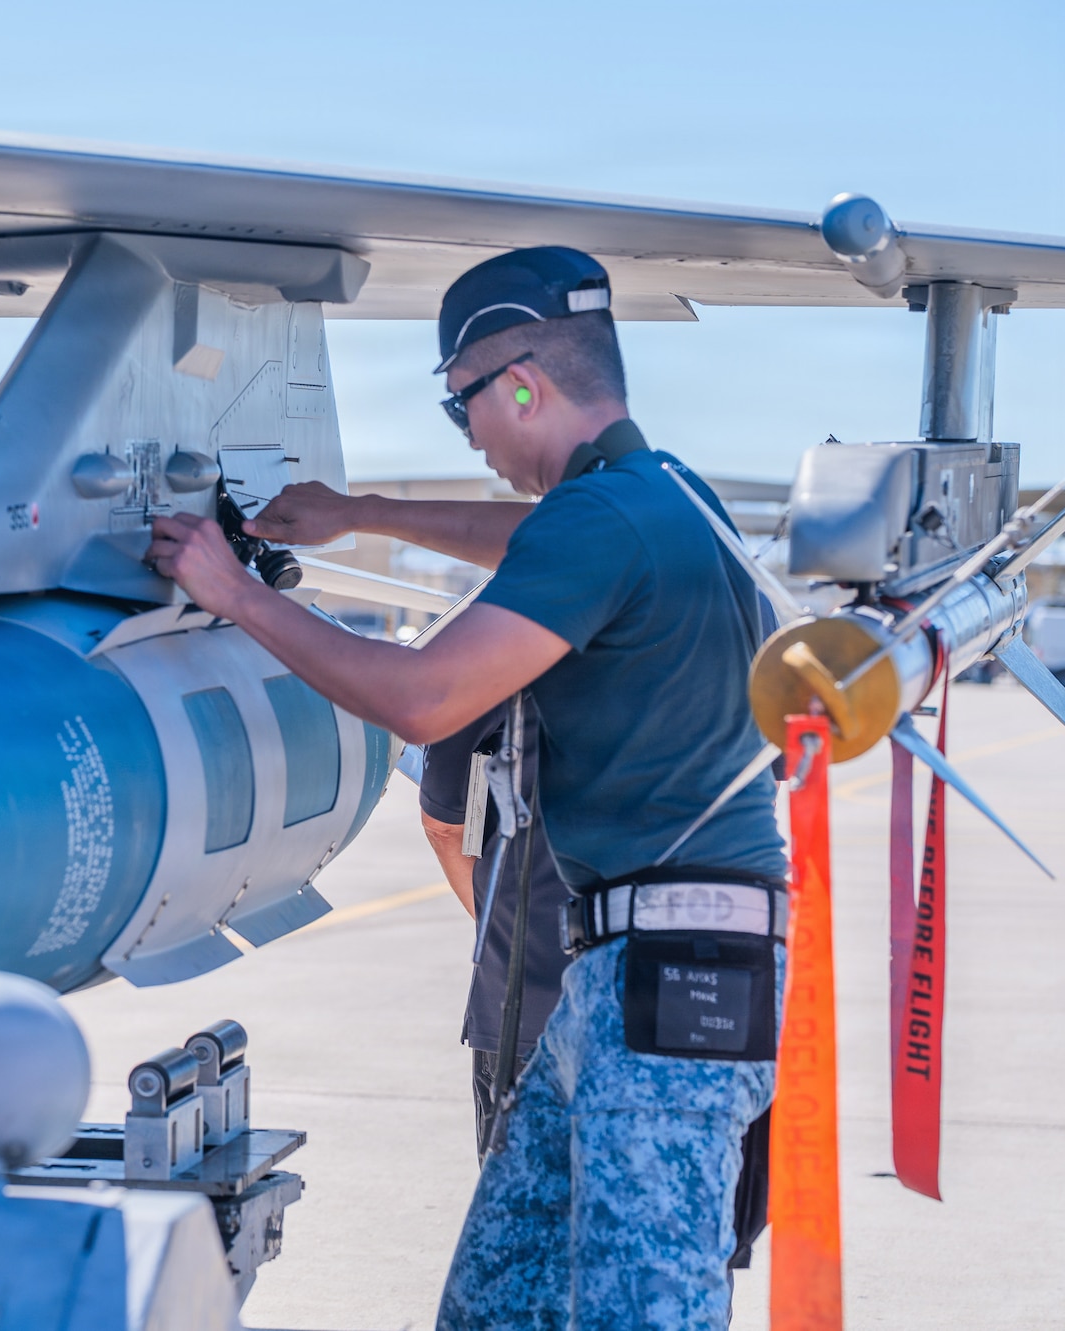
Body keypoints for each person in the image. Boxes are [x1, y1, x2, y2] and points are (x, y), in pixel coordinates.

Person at [147, 246, 786, 1329]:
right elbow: (540, 543)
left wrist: (229, 592)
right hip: (634, 967)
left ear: (523, 384)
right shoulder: (661, 495)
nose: (471, 439)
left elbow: (421, 697)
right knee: (497, 1299)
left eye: (461, 409)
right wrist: (366, 512)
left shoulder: (605, 519)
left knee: (644, 1312)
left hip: (668, 984)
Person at [417, 698, 571, 1158]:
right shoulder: (747, 622)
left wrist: (498, 926)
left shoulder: (506, 632)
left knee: (526, 1212)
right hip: (698, 986)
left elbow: (444, 825)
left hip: (534, 985)